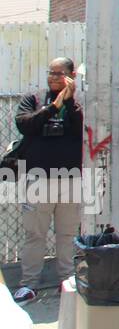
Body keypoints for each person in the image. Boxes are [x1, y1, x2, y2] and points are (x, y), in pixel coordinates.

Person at [11, 58, 83, 306]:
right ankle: (29, 285)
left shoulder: (77, 104)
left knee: (67, 233)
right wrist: (53, 106)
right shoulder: (34, 98)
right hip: (37, 179)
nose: (53, 77)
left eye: (59, 73)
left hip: (69, 179)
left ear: (71, 75)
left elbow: (79, 130)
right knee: (35, 234)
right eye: (50, 72)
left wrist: (69, 100)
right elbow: (25, 125)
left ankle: (67, 281)